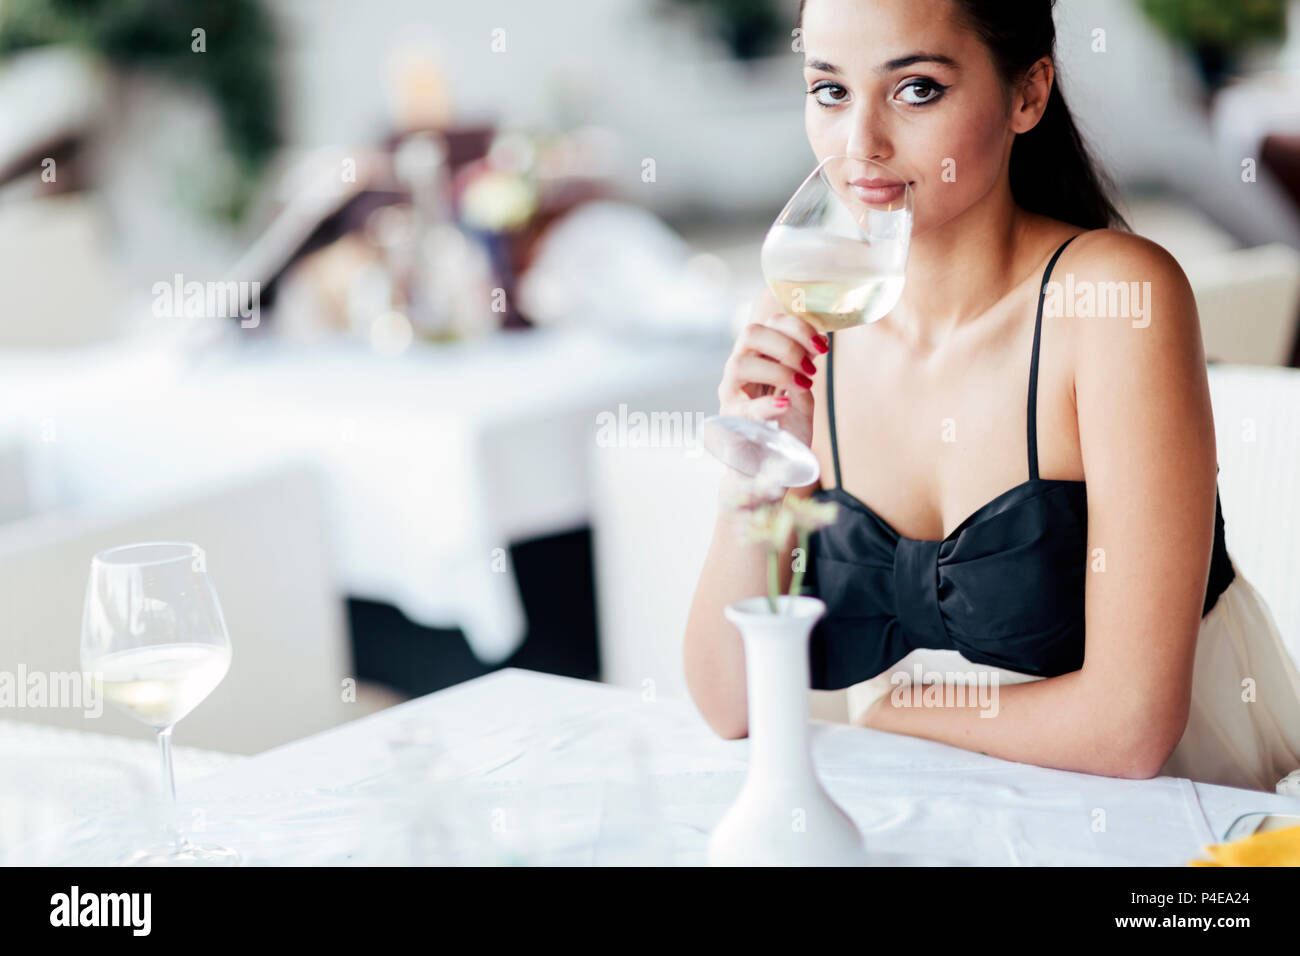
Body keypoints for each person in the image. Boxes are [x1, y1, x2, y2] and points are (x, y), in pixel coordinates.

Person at [683, 0, 1300, 792]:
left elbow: (1131, 731)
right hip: (928, 813)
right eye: (831, 91)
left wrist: (896, 709)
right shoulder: (808, 315)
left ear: (1027, 95)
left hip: (1162, 822)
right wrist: (758, 468)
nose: (860, 146)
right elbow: (728, 703)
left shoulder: (1112, 302)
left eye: (916, 90)